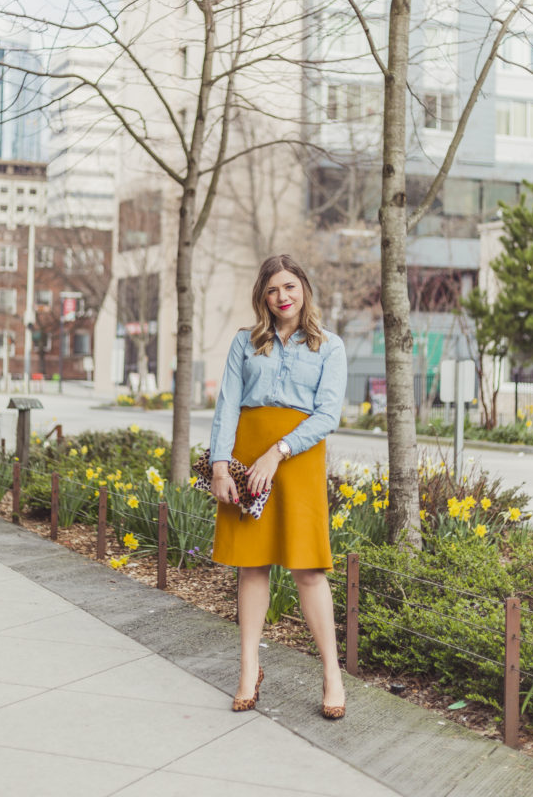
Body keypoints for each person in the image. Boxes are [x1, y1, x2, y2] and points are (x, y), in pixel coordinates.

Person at [209, 253, 348, 719]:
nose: (281, 297)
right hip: (247, 455)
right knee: (251, 566)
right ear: (262, 297)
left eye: (289, 287)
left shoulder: (329, 346)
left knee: (308, 568)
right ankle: (249, 669)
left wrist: (279, 451)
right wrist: (220, 465)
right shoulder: (244, 343)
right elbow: (228, 405)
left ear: (303, 288)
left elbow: (328, 415)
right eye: (272, 290)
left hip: (298, 460)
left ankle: (331, 673)